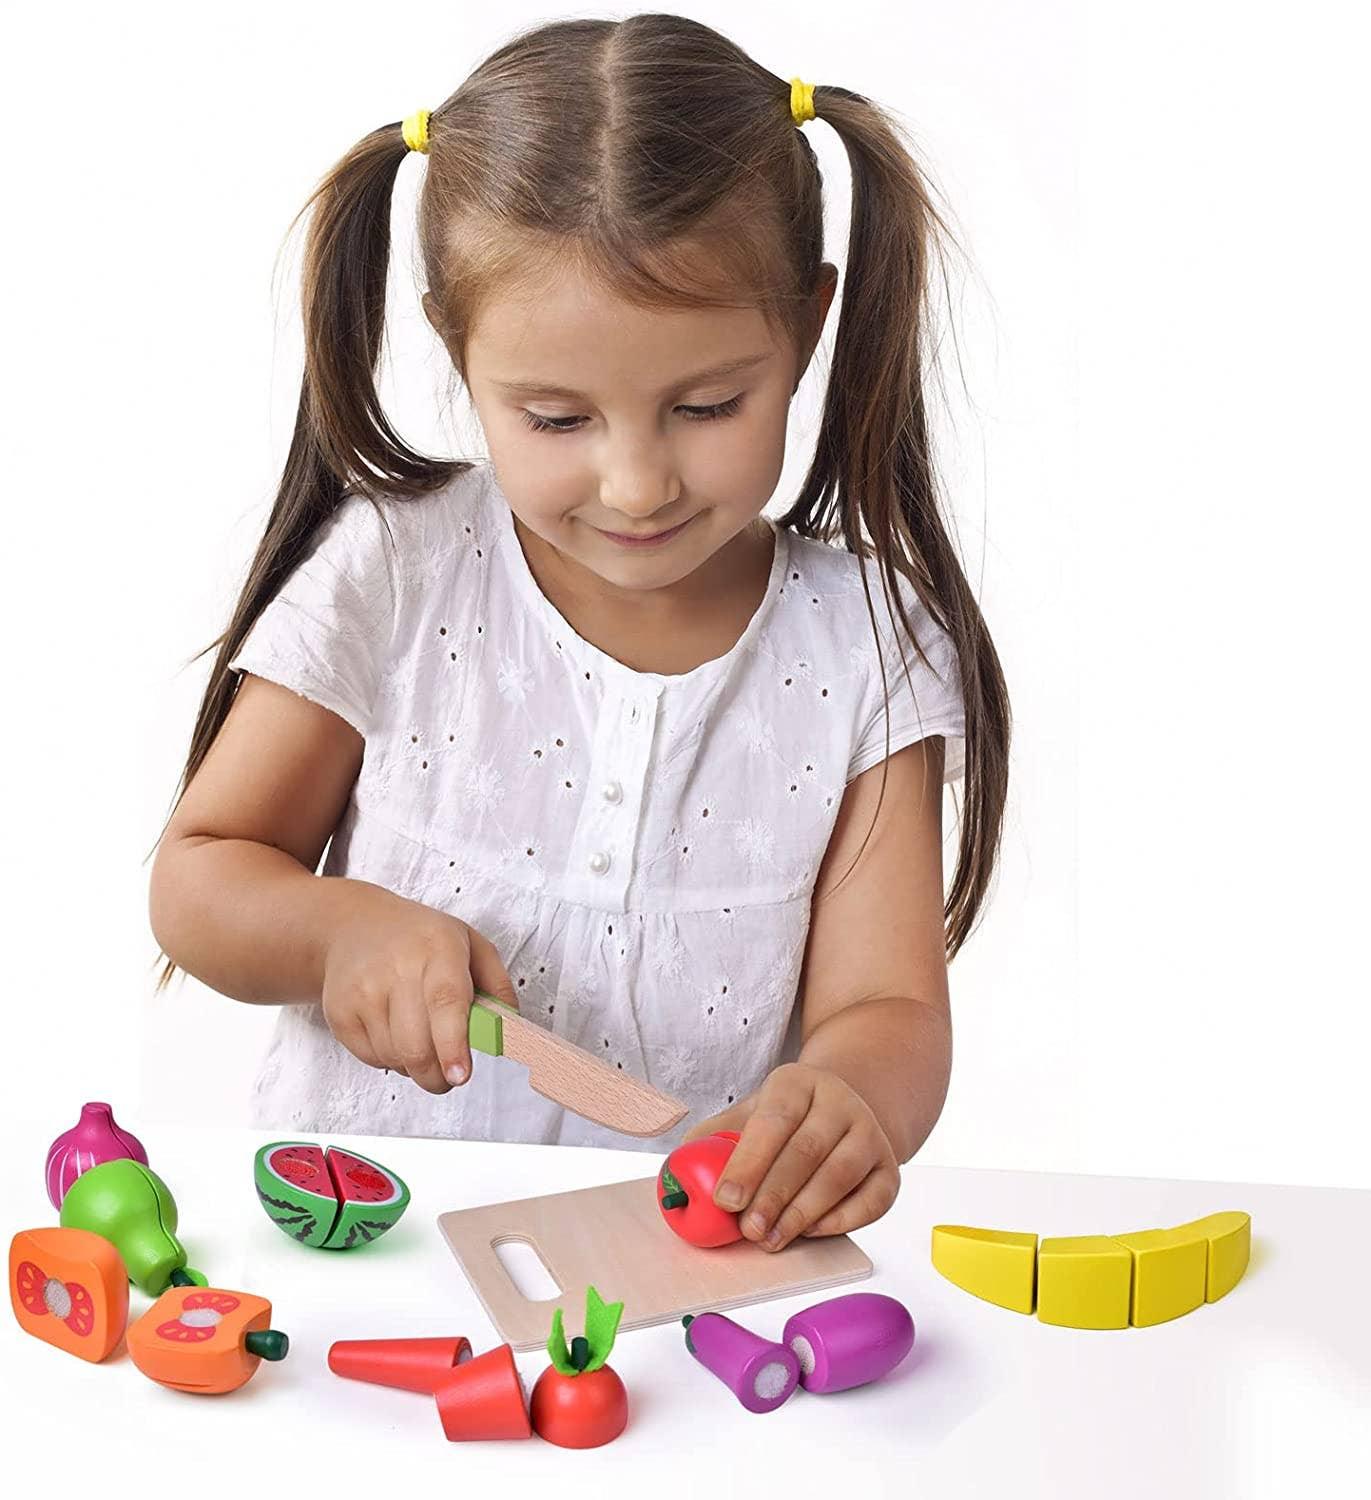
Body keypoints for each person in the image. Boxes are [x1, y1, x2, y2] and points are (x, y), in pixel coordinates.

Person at [148, 14, 1010, 1254]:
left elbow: (887, 1007)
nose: (637, 482)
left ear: (808, 328)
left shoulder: (868, 648)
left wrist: (851, 1098)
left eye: (708, 404)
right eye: (556, 418)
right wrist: (339, 929)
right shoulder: (403, 570)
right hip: (359, 1247)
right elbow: (201, 875)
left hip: (684, 1275)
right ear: (458, 345)